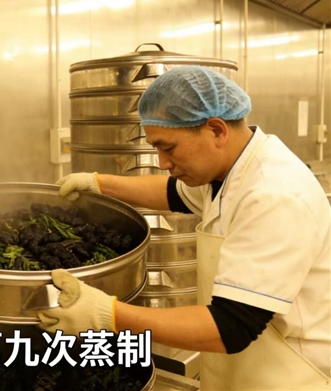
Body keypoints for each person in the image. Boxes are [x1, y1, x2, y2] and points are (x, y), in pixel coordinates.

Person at [38, 65, 331, 390]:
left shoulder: (273, 195)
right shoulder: (228, 168)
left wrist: (107, 315)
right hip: (244, 373)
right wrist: (98, 183)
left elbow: (230, 326)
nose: (162, 163)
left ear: (216, 130)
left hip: (289, 377)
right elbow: (172, 193)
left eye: (169, 148)